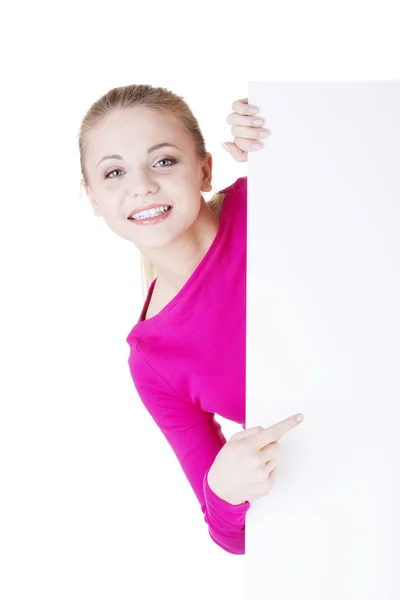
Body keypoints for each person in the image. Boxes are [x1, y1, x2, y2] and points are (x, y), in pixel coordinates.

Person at [78, 84, 304, 555]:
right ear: (93, 198)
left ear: (204, 169)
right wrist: (224, 489)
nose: (141, 185)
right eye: (114, 172)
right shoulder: (153, 361)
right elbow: (233, 537)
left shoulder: (275, 200)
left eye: (163, 161)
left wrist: (294, 133)